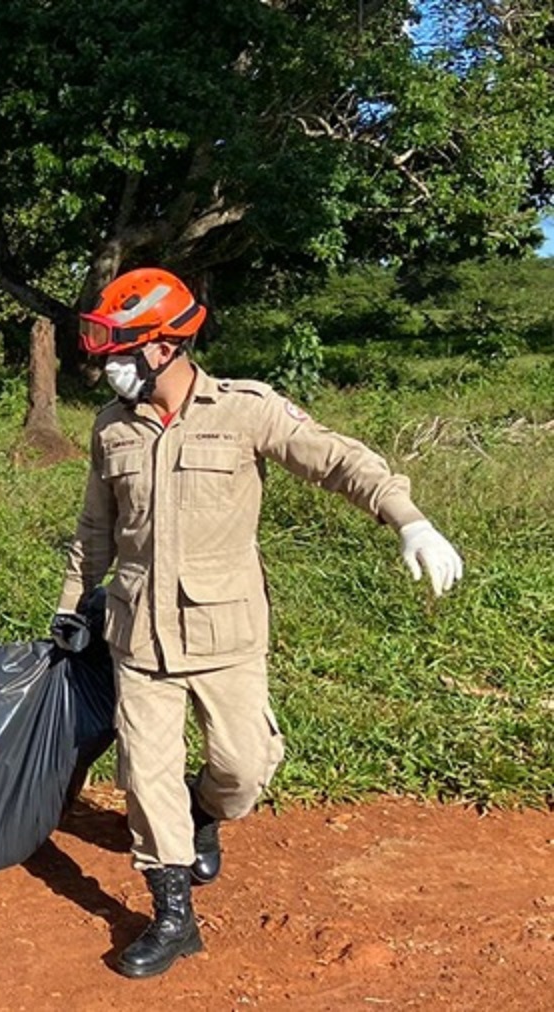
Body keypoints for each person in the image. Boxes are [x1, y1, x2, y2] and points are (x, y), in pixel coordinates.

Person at [51, 267, 464, 980]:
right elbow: (95, 528)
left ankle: (205, 811)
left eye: (123, 353)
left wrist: (410, 520)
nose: (109, 369)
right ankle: (173, 915)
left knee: (242, 770)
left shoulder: (245, 409)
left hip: (226, 634)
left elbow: (337, 459)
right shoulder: (111, 428)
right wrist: (69, 603)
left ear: (163, 349)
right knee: (145, 776)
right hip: (138, 634)